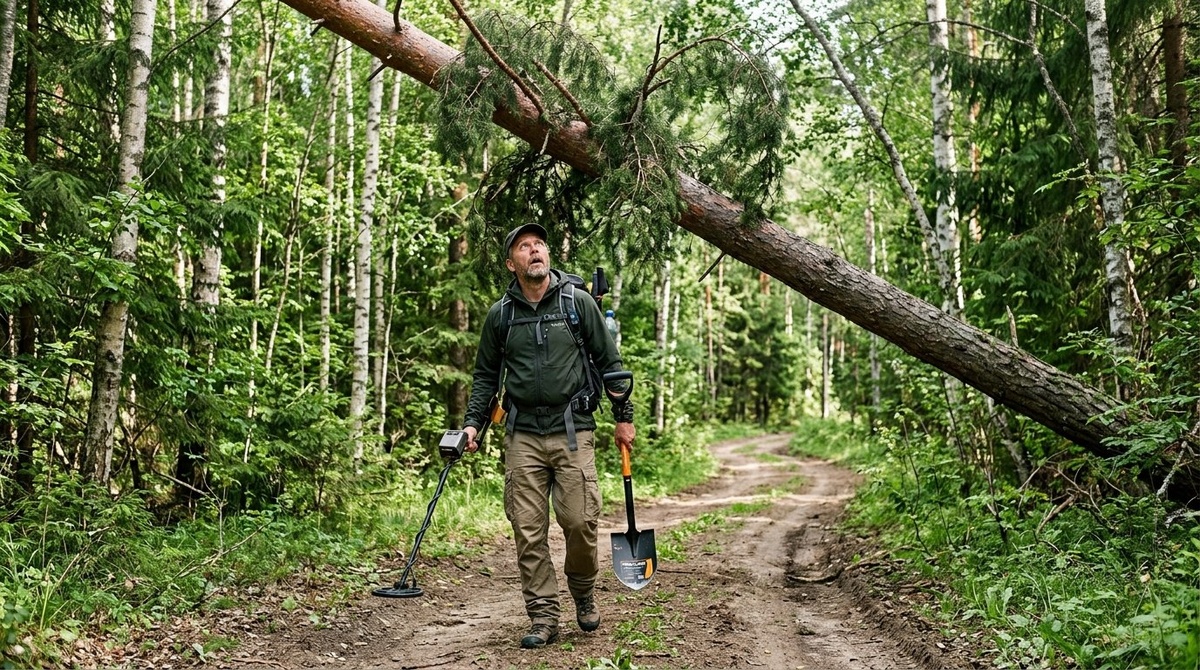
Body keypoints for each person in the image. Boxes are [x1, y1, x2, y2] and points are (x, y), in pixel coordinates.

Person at [462, 222, 636, 649]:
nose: (535, 250)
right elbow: (486, 376)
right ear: (512, 263)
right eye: (525, 247)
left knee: (580, 521)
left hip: (573, 429)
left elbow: (610, 362)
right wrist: (472, 424)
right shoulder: (501, 315)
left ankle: (583, 590)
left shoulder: (577, 304)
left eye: (540, 244)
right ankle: (543, 617)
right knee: (527, 529)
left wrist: (623, 417)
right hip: (522, 433)